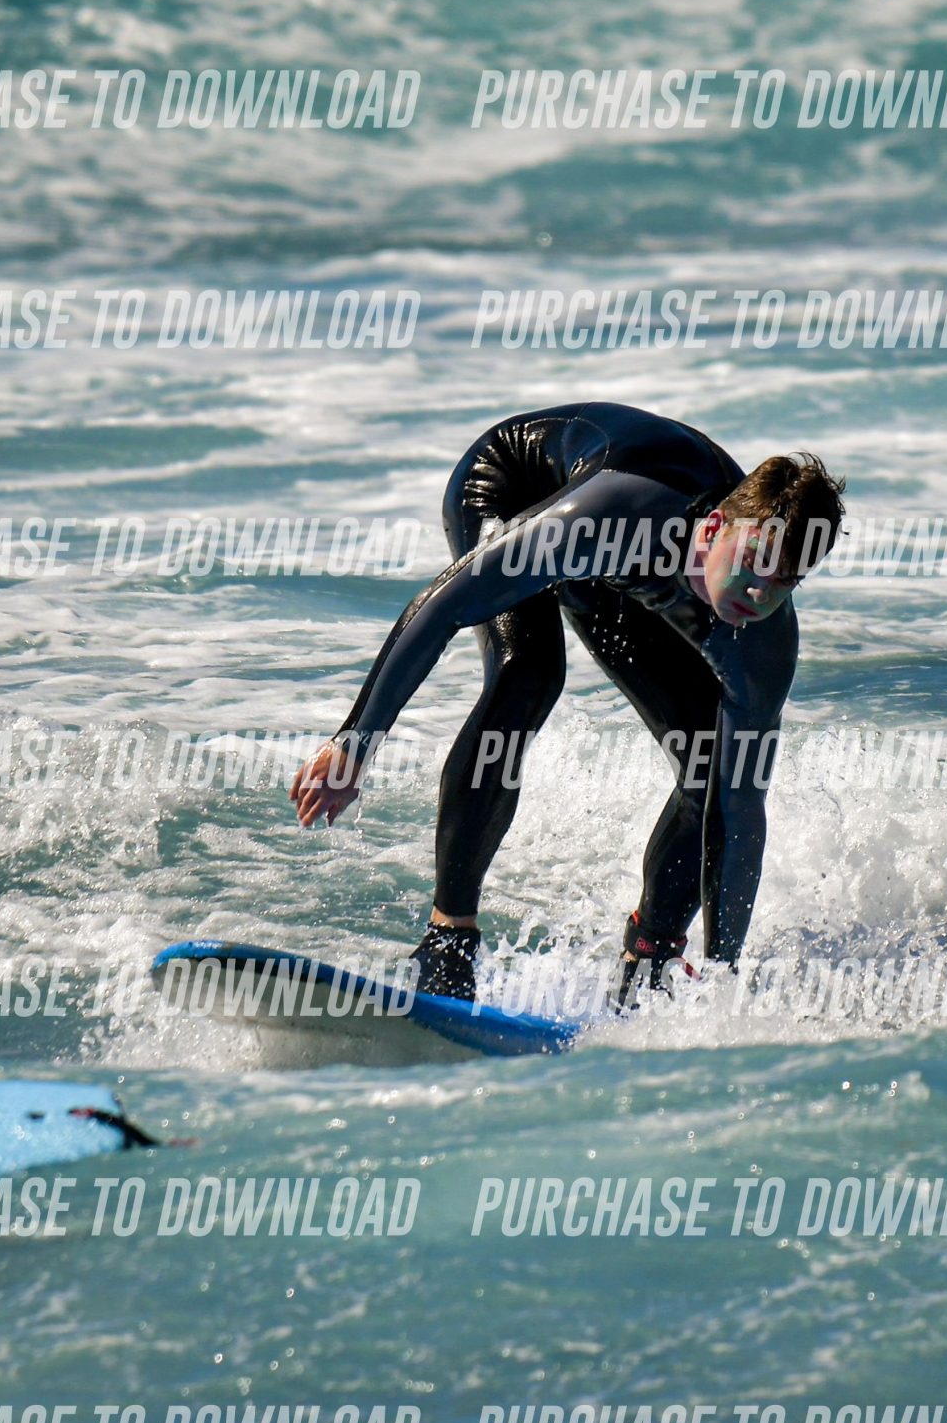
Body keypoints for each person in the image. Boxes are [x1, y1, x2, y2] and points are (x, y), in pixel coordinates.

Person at [289, 402, 845, 1009]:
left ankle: (648, 960)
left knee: (709, 766)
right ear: (713, 531)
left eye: (785, 581)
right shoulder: (612, 519)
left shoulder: (763, 641)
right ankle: (448, 942)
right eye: (754, 563)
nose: (761, 592)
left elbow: (740, 812)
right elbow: (445, 606)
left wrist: (725, 975)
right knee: (528, 673)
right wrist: (356, 741)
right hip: (513, 486)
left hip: (613, 569)